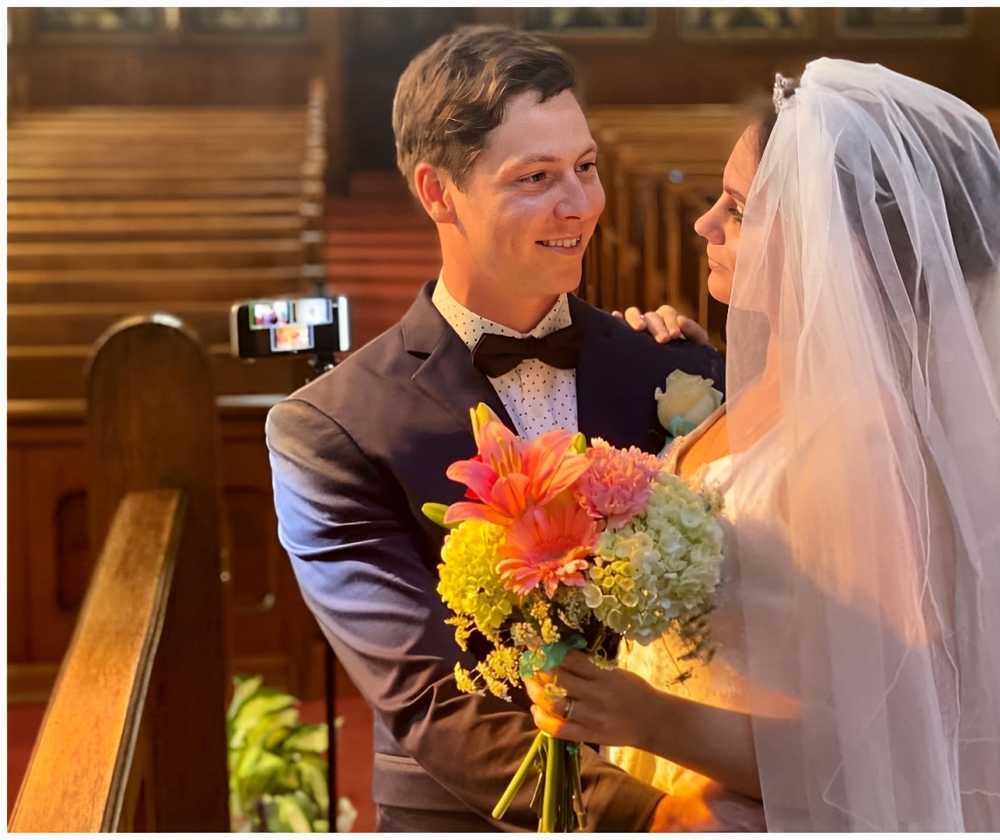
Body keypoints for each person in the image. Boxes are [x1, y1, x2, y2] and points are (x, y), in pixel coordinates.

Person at [526, 58, 1000, 832]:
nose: (705, 224)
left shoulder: (877, 449)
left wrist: (651, 718)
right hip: (677, 788)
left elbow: (894, 747)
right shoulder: (754, 380)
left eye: (738, 209)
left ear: (834, 243)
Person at [265, 25, 725, 832]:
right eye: (536, 177)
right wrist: (654, 820)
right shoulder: (331, 428)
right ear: (438, 192)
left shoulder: (673, 373)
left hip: (693, 780)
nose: (579, 204)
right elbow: (428, 697)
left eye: (586, 167)